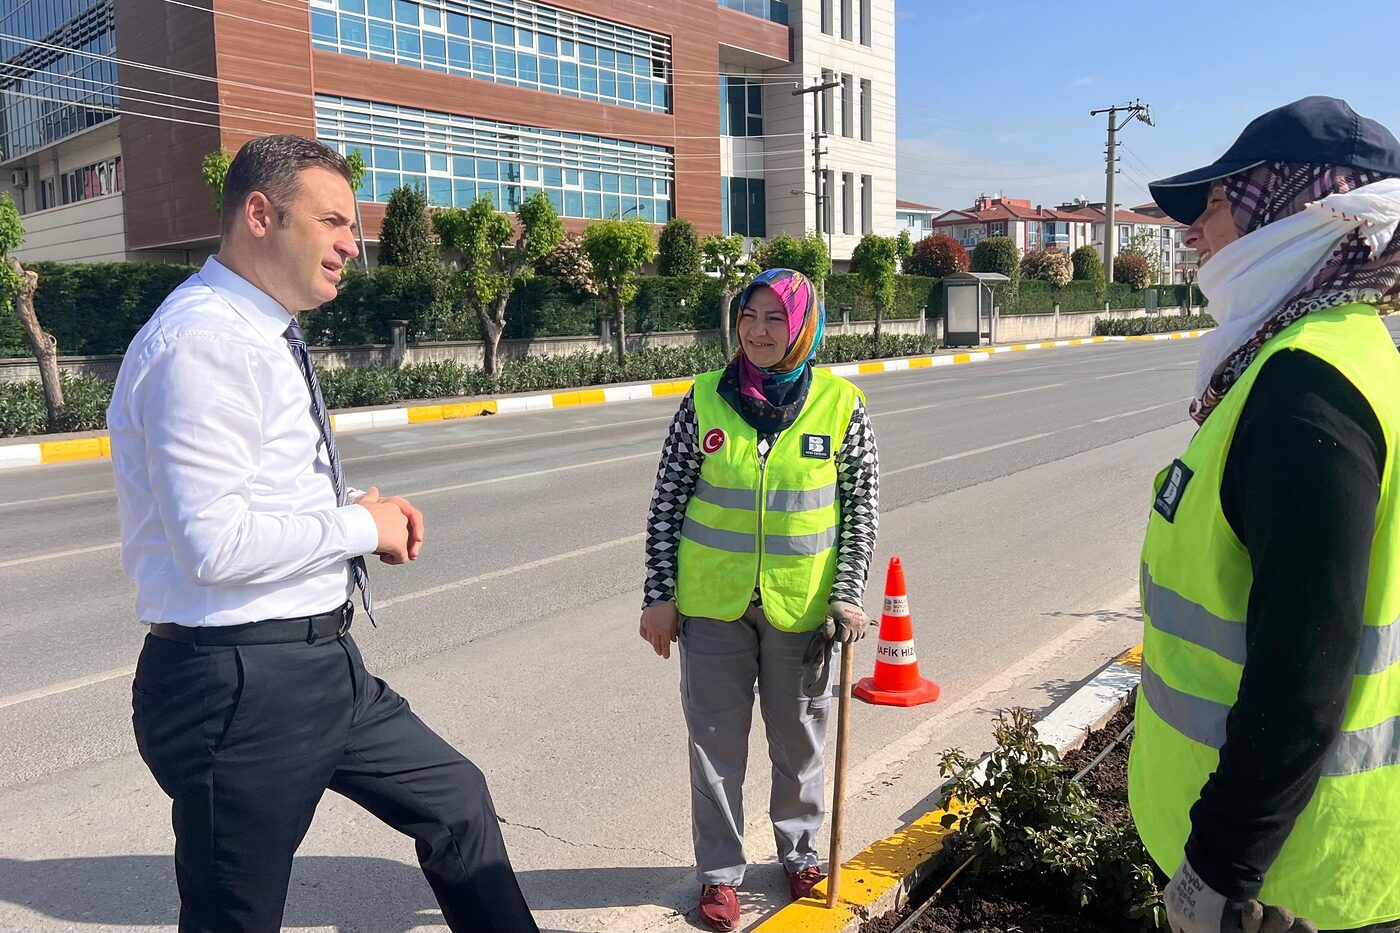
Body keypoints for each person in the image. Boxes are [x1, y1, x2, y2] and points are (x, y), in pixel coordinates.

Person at [108, 135, 538, 933]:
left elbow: (260, 486)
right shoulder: (203, 341)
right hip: (235, 686)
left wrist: (351, 514)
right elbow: (212, 544)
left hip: (320, 667)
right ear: (261, 214)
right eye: (334, 220)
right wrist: (353, 524)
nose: (351, 243)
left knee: (457, 802)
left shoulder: (260, 331)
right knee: (236, 917)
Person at [1130, 96, 1400, 933]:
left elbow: (1303, 670)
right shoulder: (1336, 353)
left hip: (1286, 886)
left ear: (1289, 207)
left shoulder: (1306, 387)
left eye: (1213, 204)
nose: (1191, 233)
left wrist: (1216, 871)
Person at [639, 268, 880, 931]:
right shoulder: (704, 401)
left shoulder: (840, 404)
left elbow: (860, 509)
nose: (759, 330)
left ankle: (801, 852)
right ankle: (719, 874)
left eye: (777, 317)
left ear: (803, 326)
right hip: (712, 607)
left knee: (800, 741)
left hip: (803, 611)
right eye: (750, 315)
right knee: (715, 747)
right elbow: (668, 503)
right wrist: (660, 594)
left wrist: (847, 596)